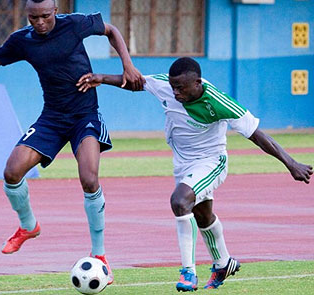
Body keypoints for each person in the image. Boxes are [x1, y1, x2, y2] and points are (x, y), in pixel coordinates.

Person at [0, 0, 144, 284]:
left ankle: (99, 255)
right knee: (12, 171)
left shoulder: (74, 24)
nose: (39, 23)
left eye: (45, 16)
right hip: (52, 117)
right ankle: (28, 226)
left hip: (84, 115)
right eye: (33, 17)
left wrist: (127, 64)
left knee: (89, 178)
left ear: (56, 11)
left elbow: (111, 30)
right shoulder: (22, 41)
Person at [76, 57, 313, 291]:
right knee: (202, 215)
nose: (175, 92)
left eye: (180, 87)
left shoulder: (218, 101)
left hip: (211, 162)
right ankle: (223, 263)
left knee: (180, 201)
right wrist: (101, 78)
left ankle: (188, 272)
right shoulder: (166, 85)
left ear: (197, 83)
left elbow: (258, 135)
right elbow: (134, 82)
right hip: (182, 164)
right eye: (172, 86)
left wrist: (291, 163)